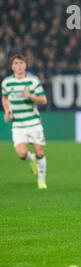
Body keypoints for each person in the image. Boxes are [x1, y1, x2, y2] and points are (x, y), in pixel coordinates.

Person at [1, 54, 48, 189]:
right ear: (11, 66)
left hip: (33, 123)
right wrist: (7, 110)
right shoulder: (6, 83)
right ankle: (30, 159)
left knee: (39, 151)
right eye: (16, 63)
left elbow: (44, 100)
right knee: (21, 154)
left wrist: (31, 96)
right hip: (18, 124)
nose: (19, 66)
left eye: (21, 63)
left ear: (25, 65)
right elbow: (4, 98)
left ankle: (41, 181)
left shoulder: (33, 81)